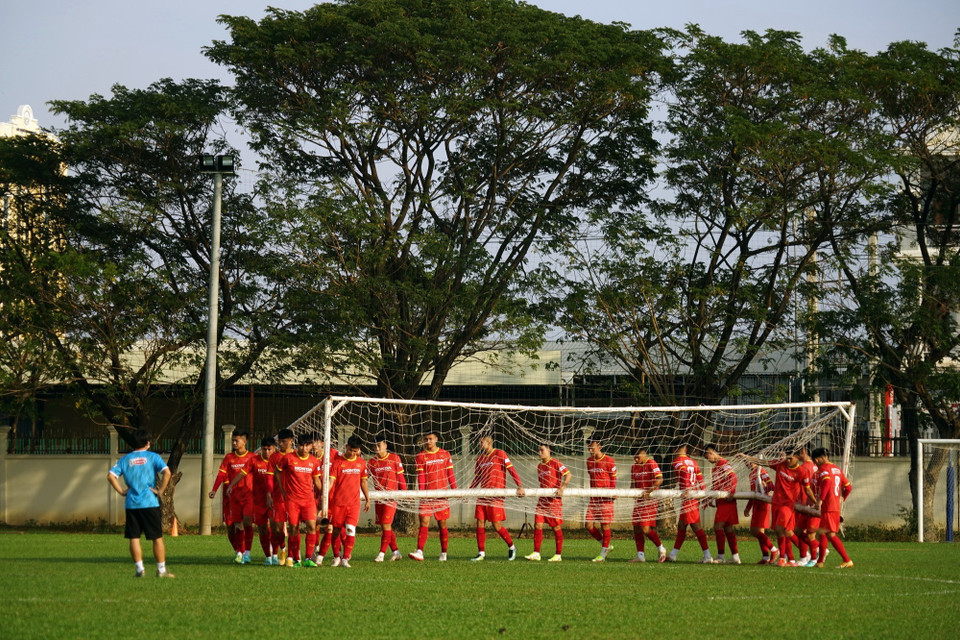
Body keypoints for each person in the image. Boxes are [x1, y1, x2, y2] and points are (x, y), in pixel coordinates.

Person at [107, 428, 174, 578]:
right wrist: (160, 490)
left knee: (134, 537)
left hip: (132, 504)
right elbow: (167, 472)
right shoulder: (152, 457)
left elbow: (111, 476)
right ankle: (161, 570)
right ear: (148, 443)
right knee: (157, 537)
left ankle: (139, 570)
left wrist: (122, 491)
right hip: (150, 503)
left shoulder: (125, 459)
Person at [739, 449, 816, 566]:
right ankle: (792, 559)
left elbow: (807, 489)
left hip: (787, 505)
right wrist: (746, 456)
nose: (787, 460)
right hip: (776, 503)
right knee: (786, 531)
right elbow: (762, 462)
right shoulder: (780, 465)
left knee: (780, 529)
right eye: (787, 458)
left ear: (797, 458)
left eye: (790, 458)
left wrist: (816, 503)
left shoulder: (801, 472)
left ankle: (783, 557)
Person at [469, 435, 525, 561]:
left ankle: (512, 547)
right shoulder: (480, 458)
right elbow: (477, 478)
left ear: (489, 443)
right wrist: (469, 491)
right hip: (483, 496)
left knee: (497, 526)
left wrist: (520, 486)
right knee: (479, 523)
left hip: (496, 496)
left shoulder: (500, 454)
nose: (479, 445)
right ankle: (481, 553)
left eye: (481, 443)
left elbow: (511, 470)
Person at [319, 435, 370, 568]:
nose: (353, 453)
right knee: (335, 531)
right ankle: (336, 556)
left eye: (355, 451)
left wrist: (368, 498)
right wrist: (324, 494)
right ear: (346, 447)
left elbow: (363, 481)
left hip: (354, 504)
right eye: (351, 450)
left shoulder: (361, 463)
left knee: (350, 529)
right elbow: (331, 481)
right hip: (338, 503)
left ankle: (345, 558)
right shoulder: (337, 462)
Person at [275, 433, 324, 567]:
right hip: (292, 500)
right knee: (294, 528)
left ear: (310, 446)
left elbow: (316, 480)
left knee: (311, 526)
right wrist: (282, 490)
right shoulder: (288, 458)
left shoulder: (314, 461)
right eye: (301, 445)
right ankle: (296, 558)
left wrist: (323, 494)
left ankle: (308, 558)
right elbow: (277, 472)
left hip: (308, 500)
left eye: (306, 445)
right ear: (297, 445)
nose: (303, 448)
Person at [409, 431, 457, 561]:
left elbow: (450, 474)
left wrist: (455, 490)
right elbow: (421, 477)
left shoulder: (445, 454)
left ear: (436, 439)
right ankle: (419, 551)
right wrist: (422, 493)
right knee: (424, 522)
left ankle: (444, 553)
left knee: (442, 524)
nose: (428, 441)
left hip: (441, 495)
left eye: (430, 439)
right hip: (427, 496)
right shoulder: (420, 456)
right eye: (426, 439)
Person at [209, 431, 255, 564]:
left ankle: (246, 552)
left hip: (248, 496)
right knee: (233, 526)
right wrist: (214, 490)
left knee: (246, 523)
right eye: (233, 441)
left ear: (245, 442)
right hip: (233, 497)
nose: (234, 443)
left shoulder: (252, 457)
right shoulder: (229, 457)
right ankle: (238, 551)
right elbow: (221, 475)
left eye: (237, 441)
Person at [231, 436, 276, 565]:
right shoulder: (254, 461)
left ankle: (278, 553)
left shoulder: (278, 460)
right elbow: (242, 473)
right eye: (264, 449)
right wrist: (231, 485)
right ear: (261, 449)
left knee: (275, 528)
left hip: (274, 501)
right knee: (262, 529)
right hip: (258, 501)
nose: (267, 452)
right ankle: (268, 556)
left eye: (269, 449)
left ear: (274, 449)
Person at [666, 443, 713, 563]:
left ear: (674, 448)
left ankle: (707, 556)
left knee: (696, 527)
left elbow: (684, 475)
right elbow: (700, 480)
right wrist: (703, 495)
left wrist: (687, 489)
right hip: (693, 497)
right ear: (686, 449)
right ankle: (673, 555)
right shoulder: (694, 462)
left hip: (688, 498)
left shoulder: (677, 462)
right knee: (681, 526)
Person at [811, 448, 854, 569]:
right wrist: (841, 499)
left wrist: (820, 500)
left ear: (817, 459)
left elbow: (827, 483)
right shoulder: (837, 469)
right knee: (823, 532)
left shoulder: (823, 469)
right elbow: (848, 487)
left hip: (828, 506)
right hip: (835, 506)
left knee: (829, 534)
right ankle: (820, 562)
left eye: (815, 462)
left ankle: (847, 560)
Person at [526, 443, 570, 562]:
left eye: (542, 450)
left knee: (556, 527)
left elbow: (568, 474)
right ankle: (536, 553)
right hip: (542, 500)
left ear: (549, 450)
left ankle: (558, 555)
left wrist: (562, 487)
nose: (540, 452)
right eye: (539, 450)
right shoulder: (539, 466)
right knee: (537, 525)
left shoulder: (555, 463)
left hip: (554, 501)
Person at [367, 435, 407, 562]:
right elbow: (363, 479)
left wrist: (405, 493)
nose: (377, 448)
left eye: (379, 445)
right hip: (379, 498)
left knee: (385, 524)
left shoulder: (394, 458)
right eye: (375, 446)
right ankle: (396, 552)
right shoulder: (372, 462)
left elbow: (401, 478)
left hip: (391, 498)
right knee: (386, 527)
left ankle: (381, 554)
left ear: (386, 445)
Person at [704, 444, 740, 564]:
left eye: (707, 456)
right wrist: (713, 498)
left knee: (718, 527)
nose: (708, 460)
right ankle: (735, 557)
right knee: (728, 528)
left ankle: (721, 556)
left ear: (711, 452)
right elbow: (717, 485)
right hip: (722, 501)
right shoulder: (715, 468)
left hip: (726, 502)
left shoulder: (723, 463)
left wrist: (731, 492)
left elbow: (733, 477)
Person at [629, 447, 667, 563]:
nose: (636, 459)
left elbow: (659, 479)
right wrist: (632, 492)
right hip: (639, 501)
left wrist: (649, 491)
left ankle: (661, 548)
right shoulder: (634, 467)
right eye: (634, 457)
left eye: (638, 456)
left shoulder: (651, 463)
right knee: (636, 527)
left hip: (650, 500)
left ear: (644, 453)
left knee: (645, 528)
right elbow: (632, 484)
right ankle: (640, 556)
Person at [585, 440, 617, 562]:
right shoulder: (589, 461)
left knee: (605, 525)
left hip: (606, 498)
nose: (590, 450)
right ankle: (606, 545)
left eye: (592, 448)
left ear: (599, 447)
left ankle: (603, 554)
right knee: (588, 525)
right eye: (589, 448)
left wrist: (612, 493)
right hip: (594, 498)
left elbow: (613, 479)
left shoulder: (609, 461)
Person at [267, 428, 295, 566]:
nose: (281, 444)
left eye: (284, 442)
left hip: (295, 498)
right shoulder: (274, 457)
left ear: (291, 441)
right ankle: (283, 548)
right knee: (277, 529)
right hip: (278, 497)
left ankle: (292, 556)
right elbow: (270, 478)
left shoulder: (296, 456)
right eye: (280, 442)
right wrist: (269, 494)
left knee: (293, 528)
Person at [743, 461, 778, 564]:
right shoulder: (751, 474)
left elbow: (771, 486)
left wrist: (764, 487)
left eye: (748, 461)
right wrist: (748, 508)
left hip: (763, 504)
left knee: (756, 531)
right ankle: (765, 557)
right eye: (745, 462)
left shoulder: (761, 471)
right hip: (756, 505)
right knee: (757, 532)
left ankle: (774, 550)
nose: (747, 464)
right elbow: (753, 493)